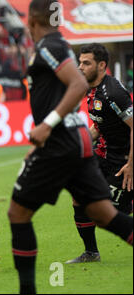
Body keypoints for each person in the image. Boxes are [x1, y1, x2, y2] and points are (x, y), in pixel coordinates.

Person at [8, 0, 133, 294]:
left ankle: (27, 290)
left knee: (17, 213)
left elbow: (76, 85)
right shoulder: (58, 44)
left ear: (30, 21)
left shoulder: (49, 48)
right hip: (75, 142)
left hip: (60, 144)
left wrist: (48, 124)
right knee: (104, 215)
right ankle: (90, 250)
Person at [65, 43, 133, 264]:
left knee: (108, 213)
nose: (80, 67)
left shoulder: (112, 93)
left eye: (86, 63)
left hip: (123, 160)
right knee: (79, 196)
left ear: (102, 65)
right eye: (80, 62)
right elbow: (98, 127)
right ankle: (91, 253)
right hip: (103, 155)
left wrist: (131, 165)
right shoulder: (90, 88)